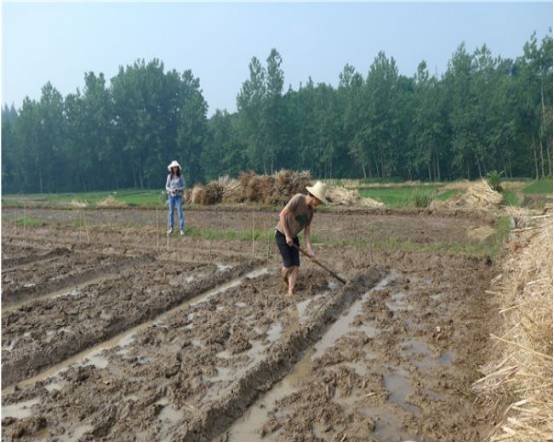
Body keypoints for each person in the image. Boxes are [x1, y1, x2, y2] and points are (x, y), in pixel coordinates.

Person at [275, 181, 327, 296]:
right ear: (314, 197)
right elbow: (282, 215)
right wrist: (287, 235)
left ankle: (290, 290)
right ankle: (284, 278)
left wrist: (310, 250)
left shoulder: (311, 212)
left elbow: (307, 233)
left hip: (293, 237)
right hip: (281, 234)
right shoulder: (298, 199)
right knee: (289, 264)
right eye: (319, 201)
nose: (319, 204)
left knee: (296, 265)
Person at [165, 160, 185, 235]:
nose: (174, 169)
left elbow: (183, 186)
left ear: (178, 168)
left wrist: (178, 189)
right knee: (171, 212)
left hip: (178, 196)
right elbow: (166, 186)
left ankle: (181, 229)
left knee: (180, 212)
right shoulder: (169, 177)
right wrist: (171, 190)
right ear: (171, 168)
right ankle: (171, 228)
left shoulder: (181, 176)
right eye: (173, 168)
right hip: (171, 196)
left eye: (176, 167)